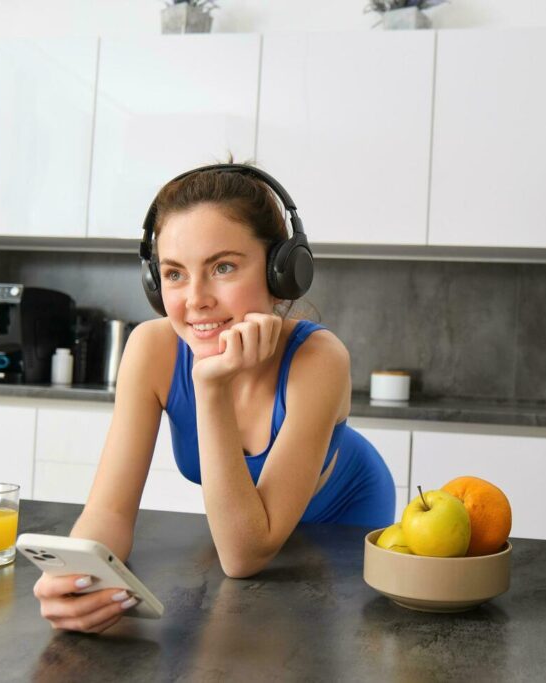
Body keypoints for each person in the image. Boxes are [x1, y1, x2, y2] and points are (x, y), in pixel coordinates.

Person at [33, 164, 395, 633]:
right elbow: (109, 512)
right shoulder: (150, 348)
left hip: (342, 534)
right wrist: (77, 576)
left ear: (278, 272)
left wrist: (210, 384)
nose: (196, 299)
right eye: (174, 274)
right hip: (240, 528)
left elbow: (244, 555)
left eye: (223, 267)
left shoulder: (319, 359)